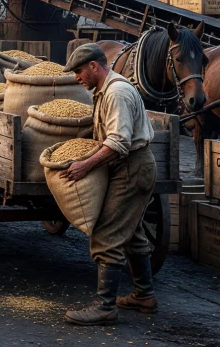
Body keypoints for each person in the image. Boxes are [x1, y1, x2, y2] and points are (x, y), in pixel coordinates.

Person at [62, 43, 158, 326]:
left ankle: (105, 307)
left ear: (94, 66)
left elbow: (118, 142)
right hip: (130, 166)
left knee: (106, 234)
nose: (77, 78)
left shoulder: (116, 92)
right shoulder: (104, 91)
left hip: (132, 168)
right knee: (131, 232)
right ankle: (144, 296)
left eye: (79, 71)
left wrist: (84, 165)